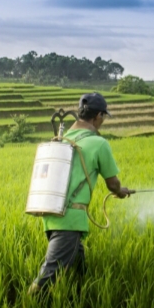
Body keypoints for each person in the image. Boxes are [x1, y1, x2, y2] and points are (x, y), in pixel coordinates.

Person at [29, 92, 131, 293]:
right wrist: (120, 192)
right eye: (103, 117)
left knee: (77, 263)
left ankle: (83, 292)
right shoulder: (99, 143)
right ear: (99, 116)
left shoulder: (63, 140)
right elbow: (112, 184)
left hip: (51, 213)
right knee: (48, 275)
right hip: (70, 219)